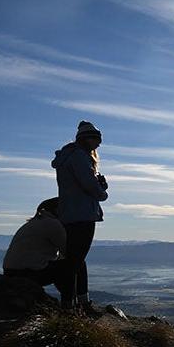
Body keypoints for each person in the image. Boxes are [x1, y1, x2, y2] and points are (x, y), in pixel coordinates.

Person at [51, 120, 108, 315]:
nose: (99, 144)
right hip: (82, 215)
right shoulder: (79, 157)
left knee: (76, 259)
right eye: (97, 140)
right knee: (74, 262)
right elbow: (89, 185)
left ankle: (79, 303)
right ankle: (69, 306)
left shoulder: (68, 157)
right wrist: (102, 192)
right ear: (87, 139)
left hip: (68, 214)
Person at [3, 198, 72, 306]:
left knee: (61, 266)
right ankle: (70, 304)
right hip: (29, 273)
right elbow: (68, 252)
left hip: (10, 272)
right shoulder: (53, 224)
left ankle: (68, 303)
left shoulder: (33, 223)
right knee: (76, 263)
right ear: (57, 210)